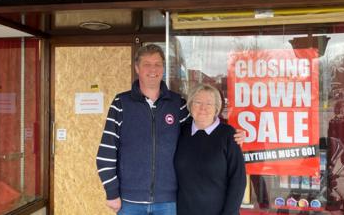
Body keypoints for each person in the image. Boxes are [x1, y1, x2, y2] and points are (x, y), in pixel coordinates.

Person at [96, 44, 246, 215]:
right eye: (147, 64)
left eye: (158, 64)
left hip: (168, 203)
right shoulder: (121, 103)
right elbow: (105, 152)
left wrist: (233, 134)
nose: (153, 69)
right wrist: (112, 192)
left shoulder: (177, 104)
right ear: (137, 68)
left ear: (163, 69)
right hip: (129, 201)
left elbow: (203, 124)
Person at [174, 84, 246, 215]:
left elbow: (238, 180)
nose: (203, 108)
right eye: (198, 102)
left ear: (216, 108)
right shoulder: (181, 132)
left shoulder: (229, 135)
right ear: (190, 105)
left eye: (209, 104)